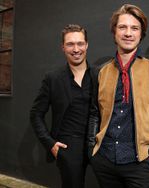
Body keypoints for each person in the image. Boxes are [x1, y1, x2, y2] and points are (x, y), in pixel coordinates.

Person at [87, 4, 149, 188]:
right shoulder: (100, 71)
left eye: (134, 28)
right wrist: (91, 149)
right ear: (114, 32)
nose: (128, 33)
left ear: (141, 33)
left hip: (140, 161)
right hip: (104, 158)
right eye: (122, 27)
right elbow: (95, 111)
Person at [30, 24, 91, 188]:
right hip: (68, 148)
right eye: (70, 44)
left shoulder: (100, 75)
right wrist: (50, 144)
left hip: (97, 144)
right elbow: (36, 114)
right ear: (63, 47)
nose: (76, 49)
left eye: (80, 43)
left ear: (86, 45)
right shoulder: (53, 78)